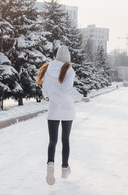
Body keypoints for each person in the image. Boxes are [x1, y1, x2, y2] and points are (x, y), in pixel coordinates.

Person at [35, 45, 89, 185]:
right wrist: (80, 97)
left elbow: (45, 92)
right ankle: (65, 168)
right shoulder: (68, 69)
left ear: (57, 56)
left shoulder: (48, 69)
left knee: (52, 141)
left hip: (53, 109)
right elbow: (67, 88)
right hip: (67, 109)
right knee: (65, 140)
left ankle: (50, 164)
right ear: (68, 58)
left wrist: (52, 96)